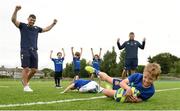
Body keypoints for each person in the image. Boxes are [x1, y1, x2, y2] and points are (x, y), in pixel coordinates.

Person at [11, 5, 57, 92]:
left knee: (34, 70)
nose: (32, 21)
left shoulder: (36, 29)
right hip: (25, 49)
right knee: (26, 68)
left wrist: (53, 24)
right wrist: (16, 10)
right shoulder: (23, 26)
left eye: (34, 20)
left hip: (34, 50)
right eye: (31, 19)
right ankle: (25, 86)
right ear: (28, 19)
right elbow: (13, 20)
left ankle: (25, 81)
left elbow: (46, 29)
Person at [85, 63, 161, 103]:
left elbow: (142, 99)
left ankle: (99, 88)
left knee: (106, 93)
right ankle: (96, 71)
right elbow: (122, 83)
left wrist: (136, 100)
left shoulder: (151, 91)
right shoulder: (137, 76)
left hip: (122, 93)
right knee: (107, 78)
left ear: (156, 79)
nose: (147, 80)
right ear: (143, 73)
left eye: (150, 79)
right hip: (122, 85)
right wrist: (128, 88)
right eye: (145, 77)